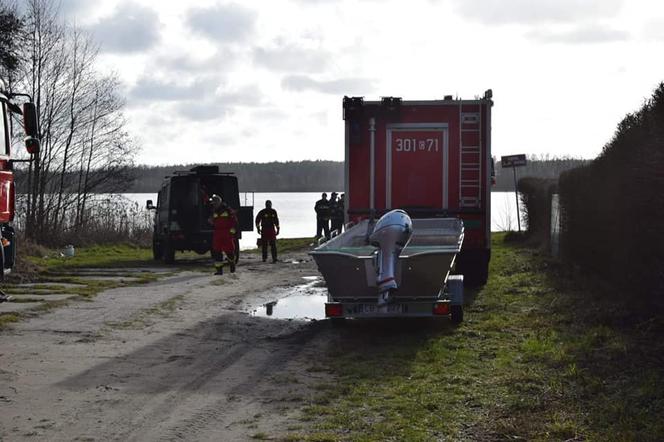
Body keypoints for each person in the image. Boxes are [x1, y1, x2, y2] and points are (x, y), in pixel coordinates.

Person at [208, 194, 238, 275]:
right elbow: (212, 221)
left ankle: (232, 266)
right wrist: (211, 222)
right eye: (213, 203)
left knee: (229, 251)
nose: (213, 205)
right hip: (217, 233)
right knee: (217, 252)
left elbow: (234, 222)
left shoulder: (228, 210)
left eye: (214, 203)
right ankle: (219, 270)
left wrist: (231, 233)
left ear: (219, 202)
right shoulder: (213, 211)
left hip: (226, 233)